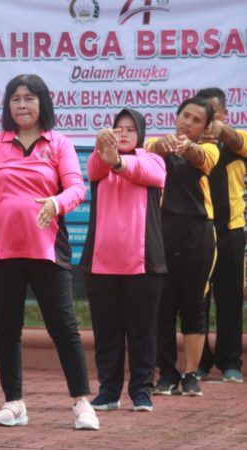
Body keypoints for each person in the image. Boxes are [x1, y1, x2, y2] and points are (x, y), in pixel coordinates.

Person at [0, 74, 99, 431]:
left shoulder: (59, 143)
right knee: (5, 329)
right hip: (3, 252)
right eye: (15, 98)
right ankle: (14, 403)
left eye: (29, 98)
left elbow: (77, 188)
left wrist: (55, 202)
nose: (22, 104)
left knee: (64, 328)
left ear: (42, 104)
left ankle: (82, 403)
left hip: (48, 250)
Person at [80, 109, 166, 413]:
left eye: (130, 129)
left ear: (140, 133)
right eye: (118, 129)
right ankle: (108, 391)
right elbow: (93, 171)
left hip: (143, 265)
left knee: (142, 332)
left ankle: (142, 392)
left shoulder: (152, 159)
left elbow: (150, 175)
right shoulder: (98, 161)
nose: (124, 134)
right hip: (101, 264)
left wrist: (117, 160)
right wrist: (106, 153)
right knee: (106, 332)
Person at [146, 97, 219, 397]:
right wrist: (166, 146)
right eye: (184, 116)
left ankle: (190, 374)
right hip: (161, 230)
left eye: (196, 120)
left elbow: (203, 158)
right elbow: (150, 150)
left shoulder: (210, 149)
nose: (188, 123)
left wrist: (188, 147)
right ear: (175, 117)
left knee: (194, 305)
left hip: (198, 233)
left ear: (204, 128)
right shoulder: (157, 145)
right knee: (162, 305)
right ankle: (166, 373)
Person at [195, 87, 247, 384]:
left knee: (230, 299)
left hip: (230, 232)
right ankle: (201, 363)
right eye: (202, 115)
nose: (208, 121)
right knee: (197, 301)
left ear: (224, 114)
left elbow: (236, 140)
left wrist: (220, 129)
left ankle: (231, 362)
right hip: (199, 234)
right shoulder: (192, 149)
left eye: (213, 113)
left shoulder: (238, 141)